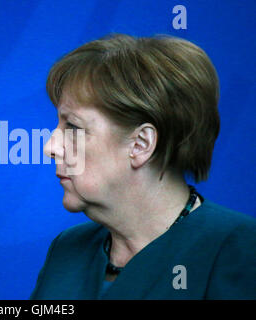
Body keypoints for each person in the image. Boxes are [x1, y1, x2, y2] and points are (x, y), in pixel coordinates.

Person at [30, 33, 256, 299]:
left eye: (74, 127)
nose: (50, 147)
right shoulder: (67, 249)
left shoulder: (240, 248)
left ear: (140, 144)